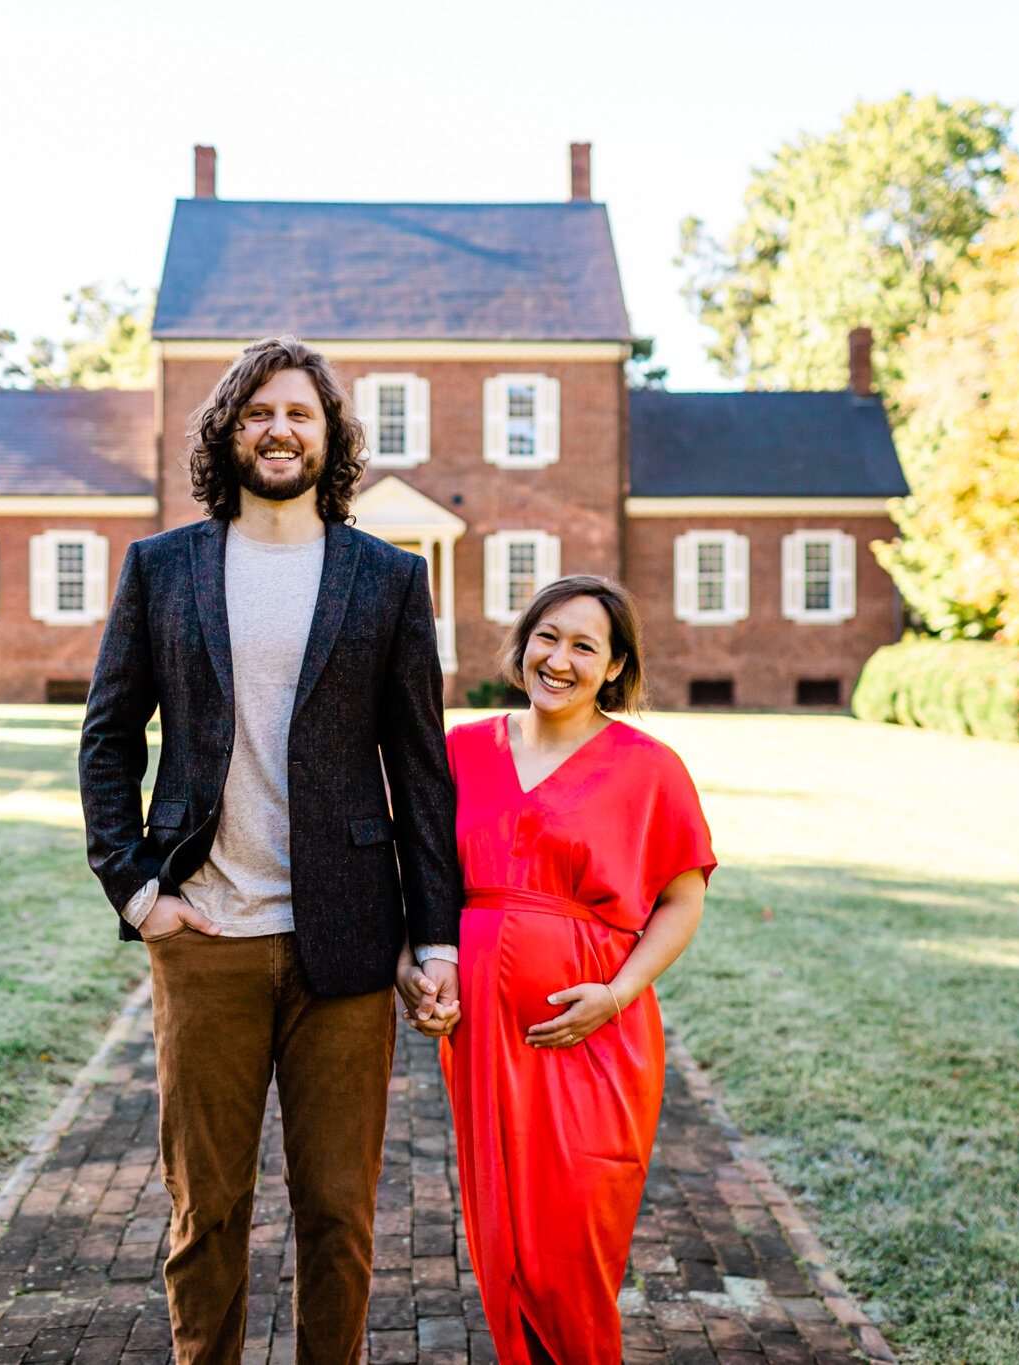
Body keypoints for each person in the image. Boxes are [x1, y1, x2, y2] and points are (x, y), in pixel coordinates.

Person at [79, 336, 462, 1365]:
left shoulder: (384, 579)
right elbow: (109, 737)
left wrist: (436, 941)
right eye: (256, 413)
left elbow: (421, 769)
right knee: (206, 1216)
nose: (277, 430)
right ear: (227, 433)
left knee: (337, 1219)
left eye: (298, 412)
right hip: (204, 935)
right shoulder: (162, 569)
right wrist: (136, 891)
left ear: (330, 434)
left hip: (345, 946)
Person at [405, 575, 715, 1365]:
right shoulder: (463, 750)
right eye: (548, 636)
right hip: (480, 1040)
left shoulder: (649, 768)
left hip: (593, 1039)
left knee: (573, 1241)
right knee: (504, 1243)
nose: (560, 659)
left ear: (614, 667)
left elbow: (681, 900)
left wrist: (614, 994)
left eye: (585, 646)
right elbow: (420, 879)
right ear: (523, 642)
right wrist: (416, 963)